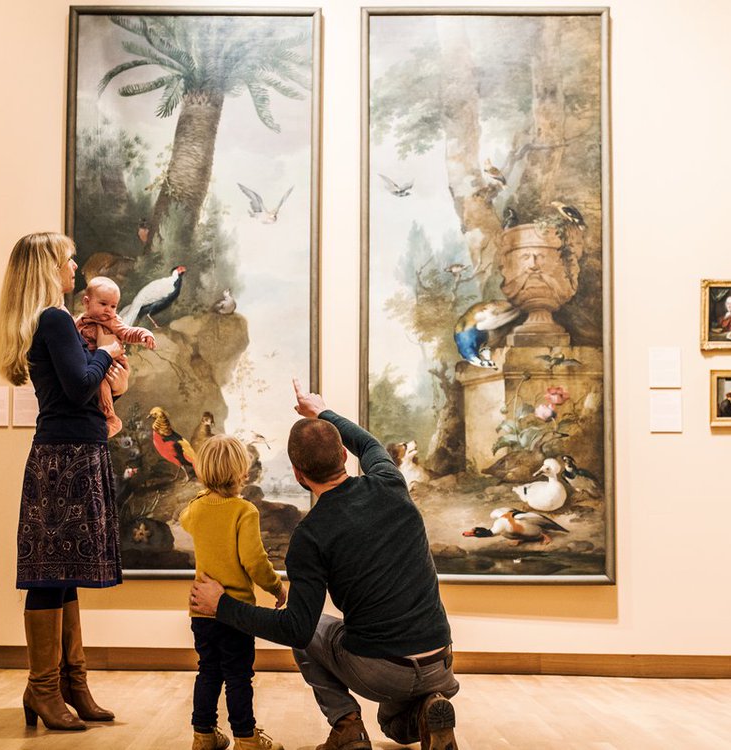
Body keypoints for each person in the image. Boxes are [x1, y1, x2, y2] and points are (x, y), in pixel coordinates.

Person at [189, 379, 460, 750]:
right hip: (440, 662)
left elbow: (296, 630)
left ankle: (347, 727)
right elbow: (368, 442)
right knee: (394, 726)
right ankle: (428, 705)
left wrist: (222, 605)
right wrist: (321, 412)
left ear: (299, 476)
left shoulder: (310, 534)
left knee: (309, 629)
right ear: (346, 458)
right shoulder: (390, 482)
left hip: (381, 669)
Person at [0, 231, 128, 732]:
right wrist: (110, 349)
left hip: (73, 453)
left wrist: (105, 359)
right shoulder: (53, 319)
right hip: (64, 458)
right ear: (49, 267)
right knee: (51, 573)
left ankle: (71, 683)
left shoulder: (57, 321)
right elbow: (78, 386)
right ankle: (44, 687)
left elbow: (86, 382)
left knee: (64, 571)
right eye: (69, 260)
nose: (76, 268)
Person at [180, 435, 288, 750]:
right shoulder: (245, 511)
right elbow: (254, 561)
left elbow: (186, 521)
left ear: (202, 472)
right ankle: (245, 737)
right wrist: (276, 586)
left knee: (208, 670)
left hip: (201, 611)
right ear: (243, 473)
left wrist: (204, 493)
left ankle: (203, 735)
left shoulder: (196, 508)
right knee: (239, 675)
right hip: (235, 612)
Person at [75, 276, 156, 438]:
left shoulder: (112, 321)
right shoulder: (78, 321)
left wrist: (143, 334)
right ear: (86, 302)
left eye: (113, 306)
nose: (109, 310)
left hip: (107, 366)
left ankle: (110, 418)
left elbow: (127, 332)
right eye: (103, 304)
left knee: (102, 385)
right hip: (91, 364)